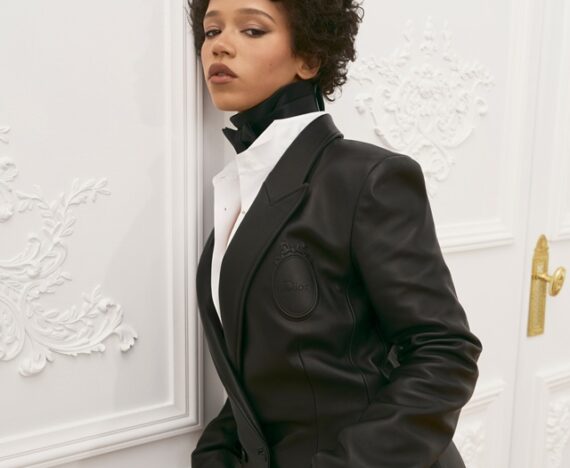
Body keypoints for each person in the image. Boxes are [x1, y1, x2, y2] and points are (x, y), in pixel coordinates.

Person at [187, 0, 483, 467]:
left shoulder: (368, 178)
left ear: (309, 57)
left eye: (252, 30)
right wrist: (215, 451)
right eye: (211, 31)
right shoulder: (239, 188)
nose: (219, 46)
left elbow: (445, 354)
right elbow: (268, 368)